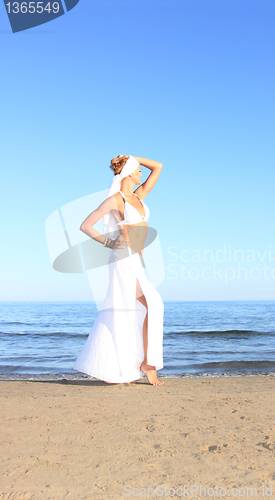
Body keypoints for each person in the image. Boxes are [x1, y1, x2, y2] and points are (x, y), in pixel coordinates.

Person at [73, 155, 164, 386]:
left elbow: (158, 167)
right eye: (138, 169)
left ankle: (125, 369)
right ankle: (147, 365)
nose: (141, 173)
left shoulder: (139, 196)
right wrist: (108, 242)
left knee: (129, 311)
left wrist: (133, 158)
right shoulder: (116, 200)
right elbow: (85, 225)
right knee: (153, 305)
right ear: (130, 173)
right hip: (123, 259)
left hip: (136, 259)